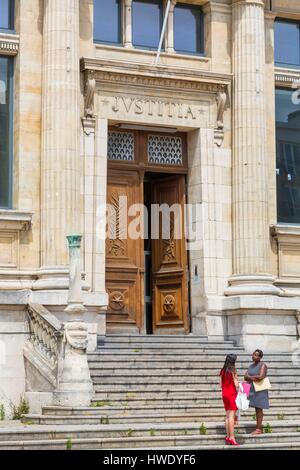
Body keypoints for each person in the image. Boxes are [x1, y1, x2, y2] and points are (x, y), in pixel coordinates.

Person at [244, 349, 269, 435]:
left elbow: (260, 377)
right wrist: (253, 377)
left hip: (260, 389)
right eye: (253, 354)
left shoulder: (263, 365)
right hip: (252, 389)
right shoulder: (251, 366)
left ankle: (258, 429)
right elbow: (245, 377)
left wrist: (250, 377)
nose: (253, 356)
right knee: (256, 408)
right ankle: (258, 427)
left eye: (255, 355)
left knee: (259, 408)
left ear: (260, 357)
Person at [219, 353, 239, 446]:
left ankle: (227, 436)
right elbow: (236, 385)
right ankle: (232, 437)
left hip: (224, 394)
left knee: (227, 416)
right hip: (232, 394)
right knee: (232, 416)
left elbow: (220, 384)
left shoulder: (222, 370)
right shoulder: (233, 370)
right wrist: (238, 381)